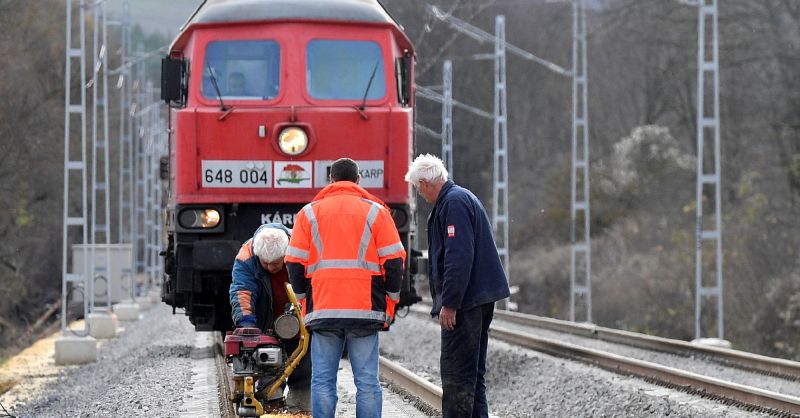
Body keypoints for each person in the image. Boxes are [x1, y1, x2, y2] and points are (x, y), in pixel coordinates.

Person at [285, 158, 406, 418]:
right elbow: (395, 261)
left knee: (322, 381)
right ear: (358, 180)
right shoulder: (376, 212)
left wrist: (305, 300)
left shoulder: (308, 213)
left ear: (330, 180)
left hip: (324, 309)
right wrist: (390, 303)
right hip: (365, 310)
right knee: (367, 382)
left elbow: (293, 261)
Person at [404, 154, 510, 418]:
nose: (420, 194)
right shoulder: (458, 199)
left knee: (457, 376)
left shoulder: (453, 203)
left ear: (427, 183)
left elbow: (458, 257)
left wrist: (449, 303)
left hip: (466, 302)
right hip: (476, 297)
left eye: (418, 188)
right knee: (472, 374)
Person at [229, 223, 311, 408]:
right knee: (265, 355)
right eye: (265, 263)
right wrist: (246, 322)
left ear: (286, 254)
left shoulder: (302, 250)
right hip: (264, 313)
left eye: (276, 263)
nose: (270, 267)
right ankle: (271, 397)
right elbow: (242, 290)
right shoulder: (247, 256)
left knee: (305, 356)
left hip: (297, 313)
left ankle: (300, 399)